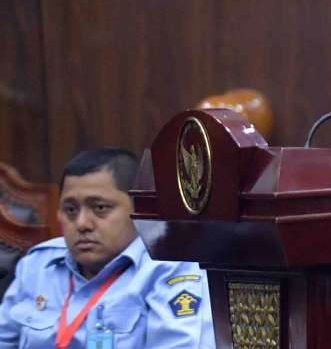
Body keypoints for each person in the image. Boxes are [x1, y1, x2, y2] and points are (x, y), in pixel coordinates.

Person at [0, 148, 216, 348]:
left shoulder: (169, 271)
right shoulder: (36, 266)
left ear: (137, 210)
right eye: (71, 209)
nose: (83, 223)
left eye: (100, 208)